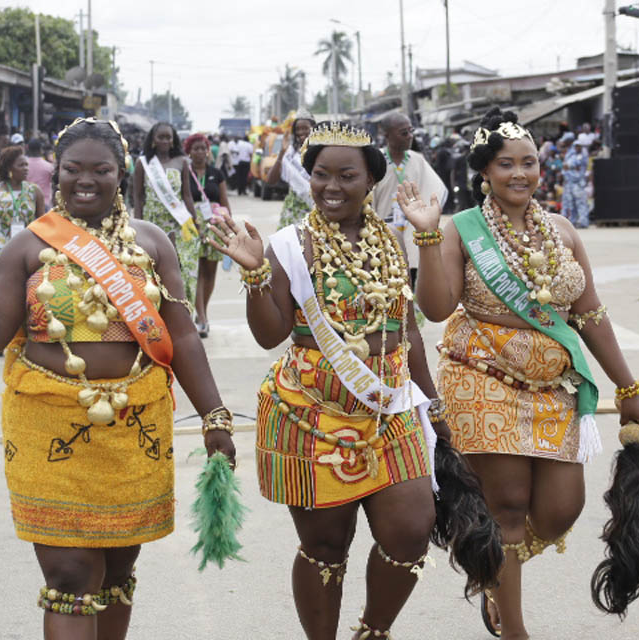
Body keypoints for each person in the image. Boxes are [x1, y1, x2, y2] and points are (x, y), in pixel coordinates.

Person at [0, 117, 235, 640]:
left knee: (118, 574)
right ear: (55, 174)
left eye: (100, 169)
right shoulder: (29, 247)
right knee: (72, 576)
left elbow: (183, 337)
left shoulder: (153, 243)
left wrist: (214, 414)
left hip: (134, 431)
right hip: (49, 431)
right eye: (72, 169)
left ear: (120, 174)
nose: (85, 180)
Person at [207, 122, 497, 639]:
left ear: (371, 181)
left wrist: (433, 406)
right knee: (325, 548)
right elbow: (271, 334)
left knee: (409, 533)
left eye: (347, 175)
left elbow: (409, 330)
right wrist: (255, 276)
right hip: (311, 412)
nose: (332, 187)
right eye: (321, 175)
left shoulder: (388, 241)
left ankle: (373, 631)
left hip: (388, 409)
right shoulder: (289, 246)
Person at [400, 107, 639, 639]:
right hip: (482, 379)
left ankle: (494, 572)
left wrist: (629, 386)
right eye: (506, 164)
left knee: (561, 509)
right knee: (508, 509)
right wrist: (425, 239)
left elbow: (590, 315)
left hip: (554, 388)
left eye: (529, 163)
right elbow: (438, 309)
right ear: (485, 173)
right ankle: (514, 628)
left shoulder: (561, 230)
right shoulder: (461, 231)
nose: (519, 174)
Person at [373, 112, 447, 286]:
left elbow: (434, 190)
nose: (410, 136)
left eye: (410, 131)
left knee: (412, 273)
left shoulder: (418, 160)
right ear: (387, 135)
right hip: (383, 229)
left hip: (412, 229)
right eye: (403, 133)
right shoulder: (376, 160)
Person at [134, 121, 199, 304]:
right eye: (160, 137)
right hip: (152, 224)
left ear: (173, 140)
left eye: (168, 137)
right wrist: (137, 227)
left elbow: (186, 195)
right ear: (153, 139)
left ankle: (185, 311)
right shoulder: (143, 163)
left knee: (184, 269)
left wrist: (195, 222)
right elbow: (138, 198)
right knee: (153, 272)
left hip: (179, 225)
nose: (165, 140)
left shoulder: (182, 162)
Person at [0, 145, 45, 302]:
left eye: (26, 164)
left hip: (26, 248)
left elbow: (42, 223)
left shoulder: (35, 191)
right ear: (9, 168)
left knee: (26, 286)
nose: (26, 168)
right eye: (21, 165)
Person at [184, 132, 232, 337]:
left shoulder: (216, 173)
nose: (200, 152)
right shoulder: (184, 173)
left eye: (203, 148)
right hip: (193, 226)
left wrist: (229, 227)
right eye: (196, 148)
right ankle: (202, 317)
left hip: (214, 225)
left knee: (210, 271)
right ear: (189, 151)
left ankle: (203, 311)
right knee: (197, 270)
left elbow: (224, 201)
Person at [267, 110, 316, 229]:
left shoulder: (322, 151)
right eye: (297, 129)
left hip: (317, 206)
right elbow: (271, 180)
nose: (301, 132)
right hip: (294, 207)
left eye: (305, 128)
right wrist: (282, 153)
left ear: (314, 128)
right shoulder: (290, 153)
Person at [561, 134, 590, 228]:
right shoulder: (570, 153)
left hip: (578, 183)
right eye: (576, 146)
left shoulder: (582, 154)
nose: (577, 148)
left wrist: (568, 166)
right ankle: (572, 222)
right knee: (570, 204)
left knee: (581, 203)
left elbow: (569, 165)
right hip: (569, 182)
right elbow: (565, 167)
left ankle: (583, 222)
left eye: (579, 146)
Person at [26, 138, 55, 210]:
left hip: (26, 203)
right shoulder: (49, 167)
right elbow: (54, 185)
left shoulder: (23, 166)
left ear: (28, 149)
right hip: (44, 203)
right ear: (41, 150)